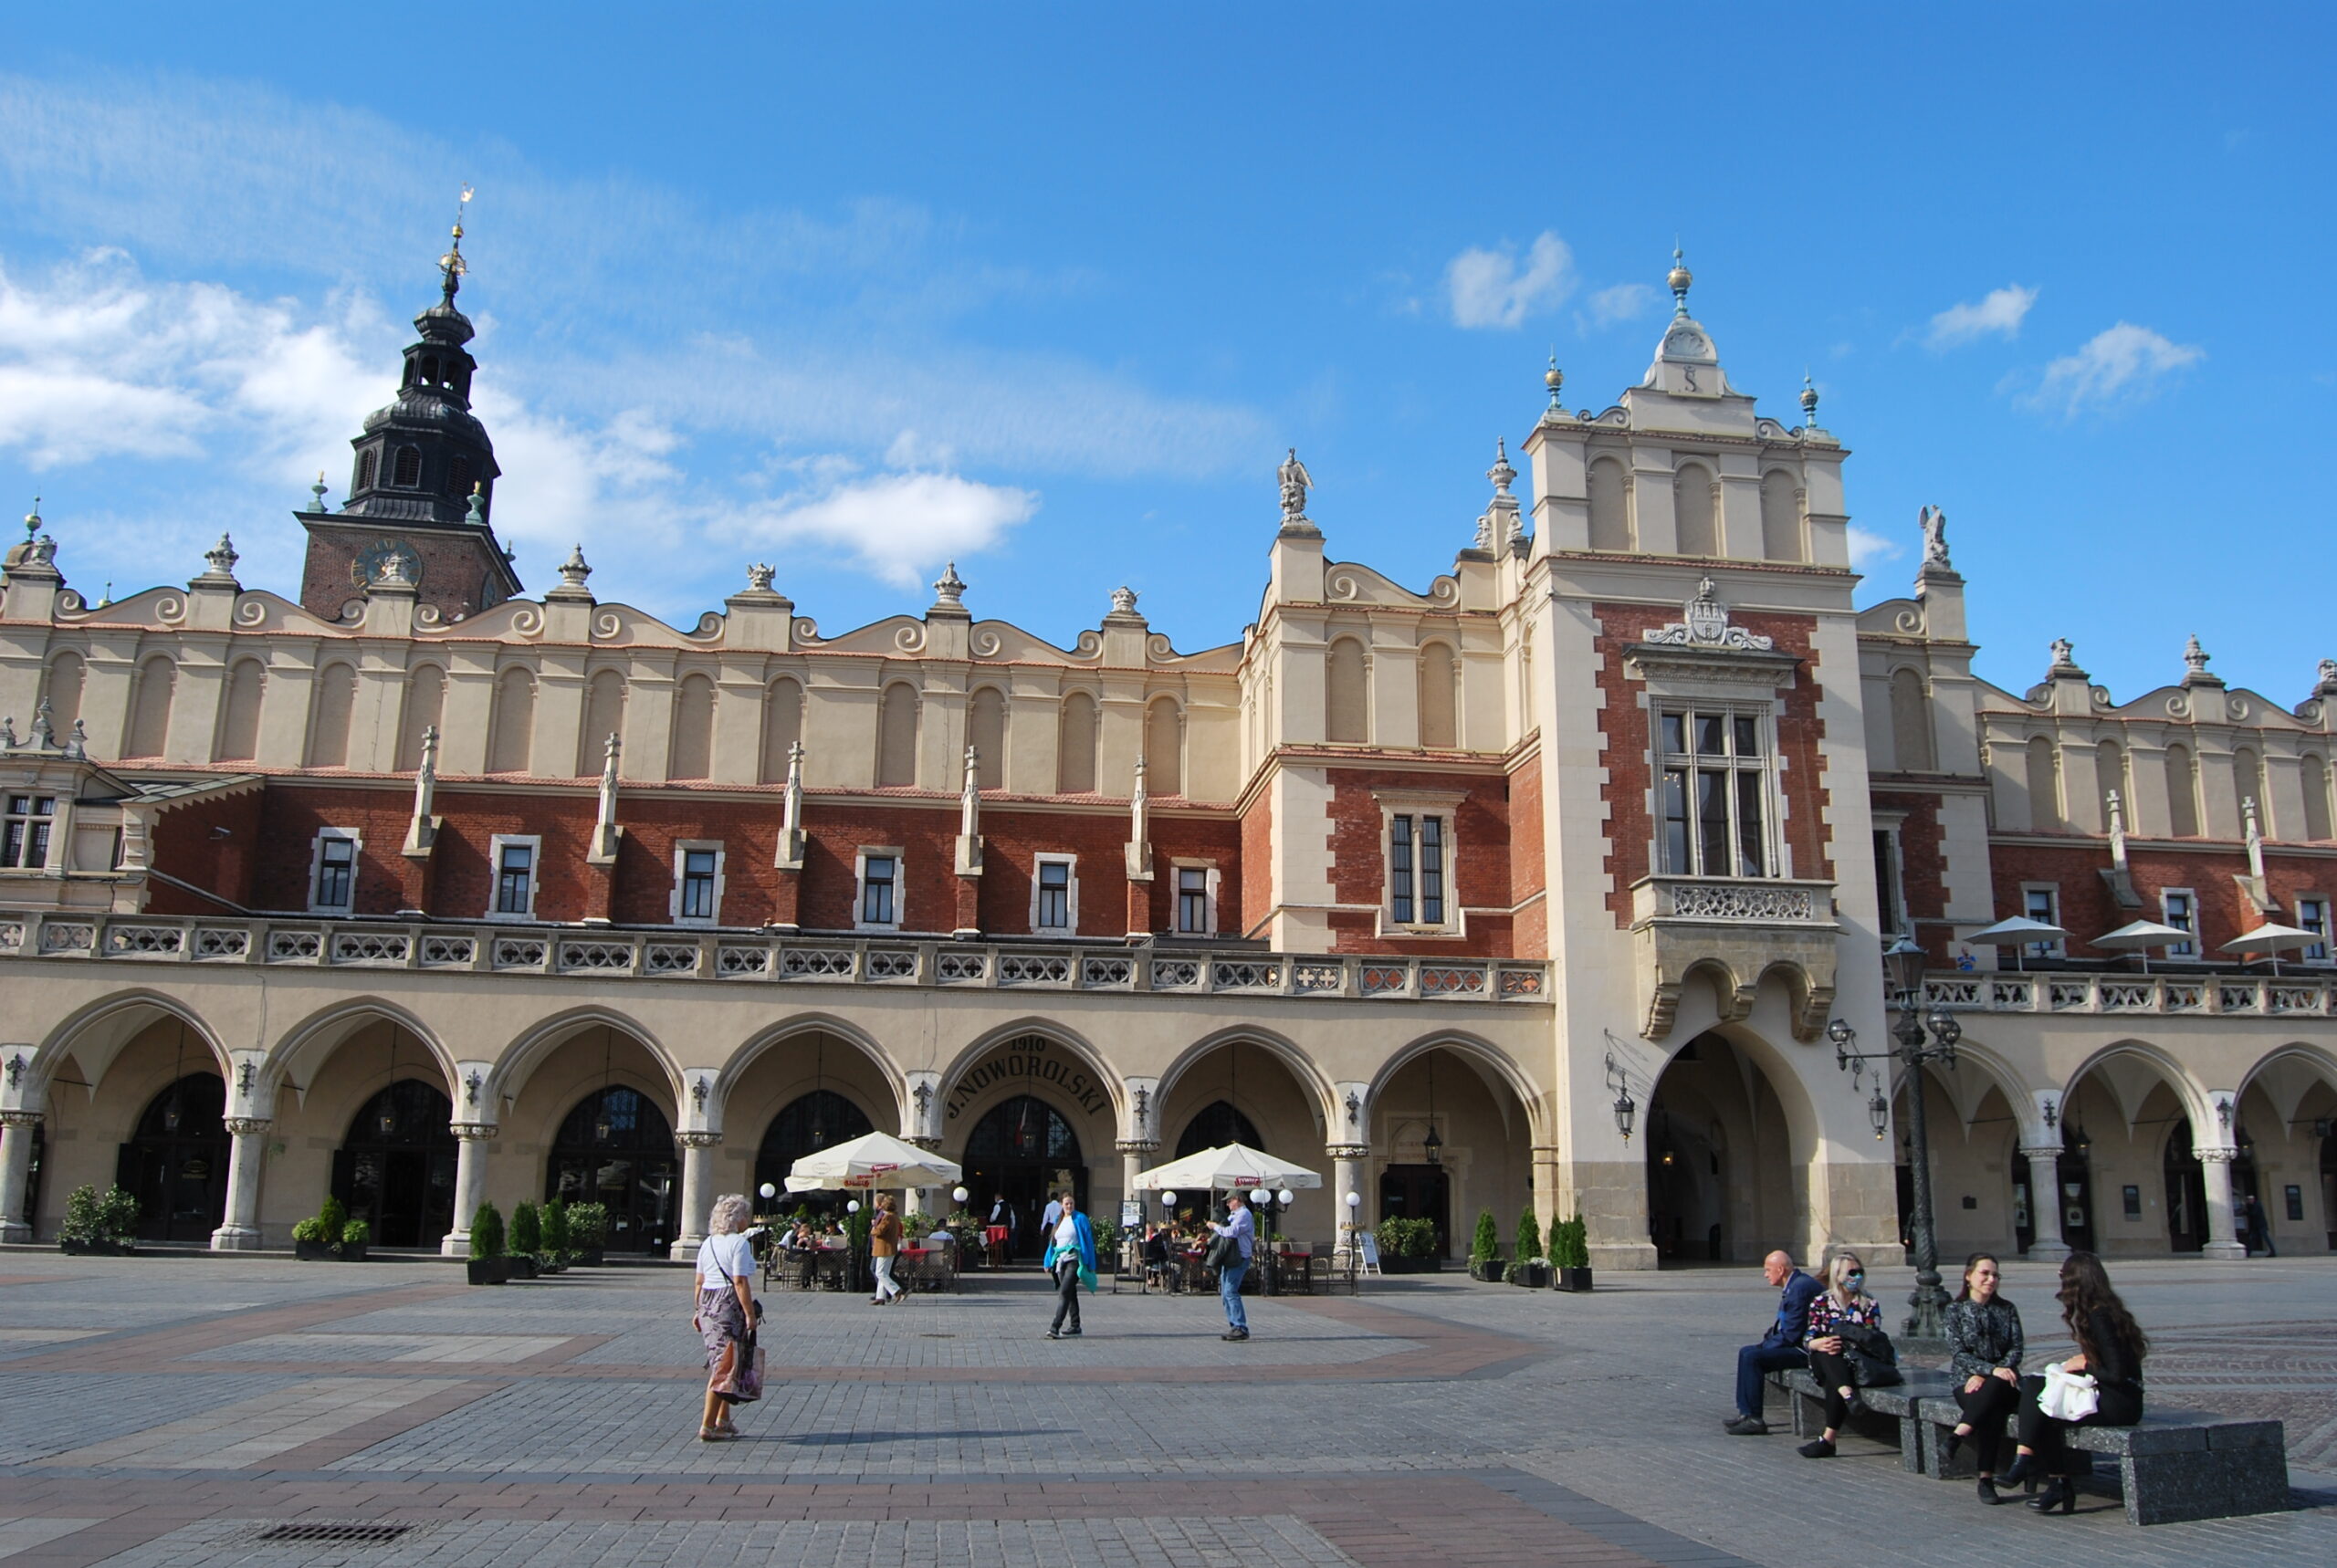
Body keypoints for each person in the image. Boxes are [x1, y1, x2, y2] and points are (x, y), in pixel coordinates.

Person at [2003, 1251, 2148, 1514]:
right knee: (2038, 1387)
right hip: (2116, 1396)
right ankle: (2030, 1463)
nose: (2060, 1279)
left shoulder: (2099, 1316)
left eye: (2063, 1274)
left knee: (2045, 1406)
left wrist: (2082, 1365)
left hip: (2120, 1404)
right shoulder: (2102, 1310)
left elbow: (2116, 1373)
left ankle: (2043, 1473)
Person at [1942, 1252, 2025, 1503]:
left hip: (2005, 1381)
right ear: (1968, 1276)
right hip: (1966, 1381)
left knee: (1997, 1389)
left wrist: (1993, 1373)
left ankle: (1957, 1436)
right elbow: (1958, 1352)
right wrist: (1984, 1372)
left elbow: (2016, 1349)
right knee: (1992, 1412)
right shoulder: (1954, 1310)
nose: (1991, 1279)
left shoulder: (2007, 1309)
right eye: (1985, 1273)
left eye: (1995, 1275)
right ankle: (1986, 1479)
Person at [1797, 1251, 1886, 1459]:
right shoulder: (1821, 1302)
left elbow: (1873, 1337)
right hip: (1824, 1359)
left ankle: (1829, 1438)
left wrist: (1845, 1343)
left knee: (1834, 1379)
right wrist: (1819, 1342)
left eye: (1860, 1272)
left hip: (1857, 1362)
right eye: (1851, 1272)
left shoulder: (1868, 1303)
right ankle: (1849, 1397)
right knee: (1828, 1353)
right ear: (1837, 1275)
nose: (1856, 1277)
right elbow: (1808, 1336)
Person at [1725, 1249, 1822, 1436]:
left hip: (1806, 1350)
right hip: (1796, 1343)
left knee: (1753, 1357)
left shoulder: (1800, 1288)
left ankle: (1755, 1418)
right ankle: (1746, 1413)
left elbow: (1791, 1335)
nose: (1765, 1274)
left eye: (1768, 1270)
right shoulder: (1795, 1285)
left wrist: (1765, 1347)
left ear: (1781, 1269)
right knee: (1746, 1352)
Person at [691, 1192, 759, 1442]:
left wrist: (697, 1310)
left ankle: (723, 1419)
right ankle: (708, 1426)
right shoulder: (739, 1243)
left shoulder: (708, 1243)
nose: (747, 1219)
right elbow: (740, 1282)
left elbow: (699, 1281)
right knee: (724, 1366)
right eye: (745, 1214)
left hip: (708, 1302)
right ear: (737, 1217)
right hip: (728, 1304)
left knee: (725, 1360)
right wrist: (750, 1314)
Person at [1042, 1190, 1095, 1340]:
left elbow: (1088, 1241)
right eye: (1066, 1203)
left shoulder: (1080, 1218)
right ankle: (1075, 1325)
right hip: (1061, 1261)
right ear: (1061, 1205)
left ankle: (1055, 1326)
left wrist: (1091, 1263)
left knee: (1064, 1292)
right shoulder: (1059, 1220)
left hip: (1074, 1260)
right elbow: (1053, 1243)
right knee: (1071, 1293)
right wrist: (1048, 1261)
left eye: (1071, 1203)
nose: (1069, 1206)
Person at [1204, 1191, 1254, 1341]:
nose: (1227, 1204)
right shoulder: (1234, 1215)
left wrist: (1215, 1227)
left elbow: (1231, 1232)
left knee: (1231, 1291)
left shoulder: (1244, 1214)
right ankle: (1234, 1325)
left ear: (1237, 1200)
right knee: (1225, 1294)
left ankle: (1241, 1327)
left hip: (1239, 1258)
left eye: (1229, 1201)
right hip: (1229, 1258)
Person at [869, 1193, 904, 1306]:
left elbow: (880, 1231)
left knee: (880, 1272)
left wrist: (873, 1229)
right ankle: (880, 1297)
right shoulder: (895, 1216)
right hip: (889, 1248)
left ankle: (897, 1291)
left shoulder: (888, 1217)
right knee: (884, 1272)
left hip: (884, 1248)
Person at [2243, 1192, 2277, 1257]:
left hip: (2261, 1225)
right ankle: (2248, 1253)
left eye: (2250, 1199)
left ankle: (2273, 1252)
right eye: (2248, 1199)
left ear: (2253, 1199)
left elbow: (2253, 1213)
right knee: (2252, 1239)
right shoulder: (2249, 1205)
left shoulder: (2257, 1204)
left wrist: (2246, 1212)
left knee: (2266, 1238)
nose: (2249, 1201)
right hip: (2255, 1226)